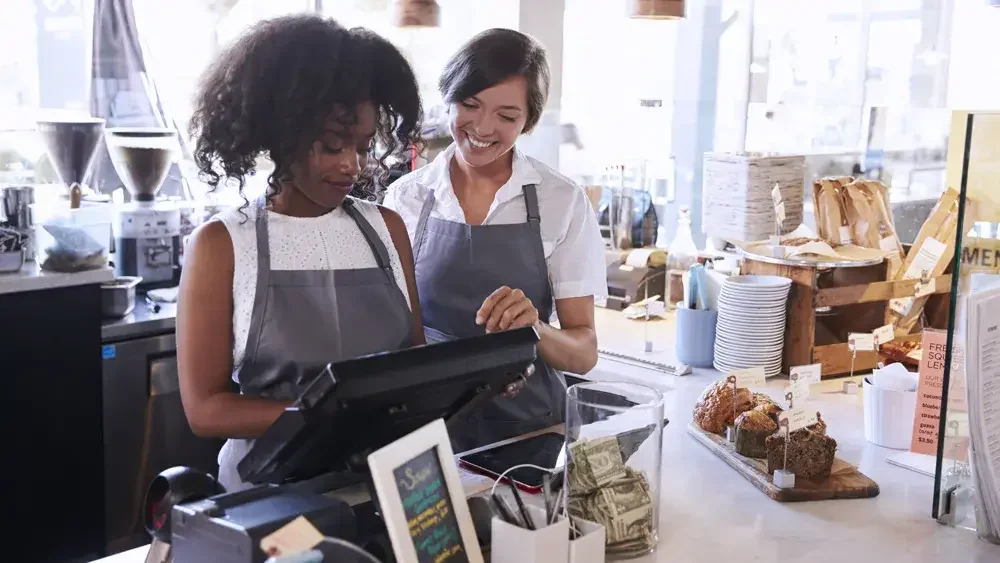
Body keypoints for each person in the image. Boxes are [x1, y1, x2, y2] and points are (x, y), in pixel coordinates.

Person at [176, 14, 425, 492]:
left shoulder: (386, 229)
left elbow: (412, 367)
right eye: (333, 146)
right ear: (282, 133)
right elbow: (205, 408)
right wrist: (329, 420)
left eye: (363, 145)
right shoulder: (223, 245)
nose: (353, 164)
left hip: (382, 486)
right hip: (268, 496)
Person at [383, 28, 607, 451]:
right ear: (448, 97)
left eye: (507, 116)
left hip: (529, 428)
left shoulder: (562, 201)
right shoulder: (407, 197)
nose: (483, 127)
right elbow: (392, 333)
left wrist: (535, 328)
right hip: (427, 428)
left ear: (528, 121)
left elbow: (584, 352)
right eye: (470, 105)